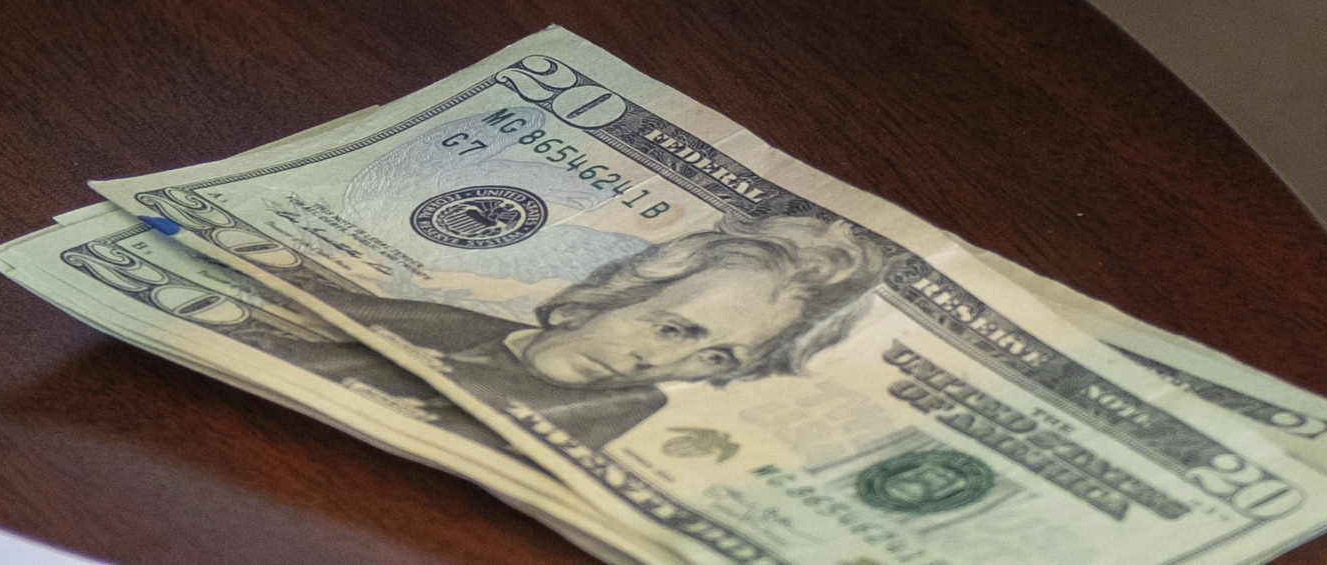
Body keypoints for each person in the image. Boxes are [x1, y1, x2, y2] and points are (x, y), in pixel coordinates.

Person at [263, 218, 888, 450]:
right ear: (591, 302)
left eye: (716, 357)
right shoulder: (397, 319)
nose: (659, 363)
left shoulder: (613, 414)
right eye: (673, 326)